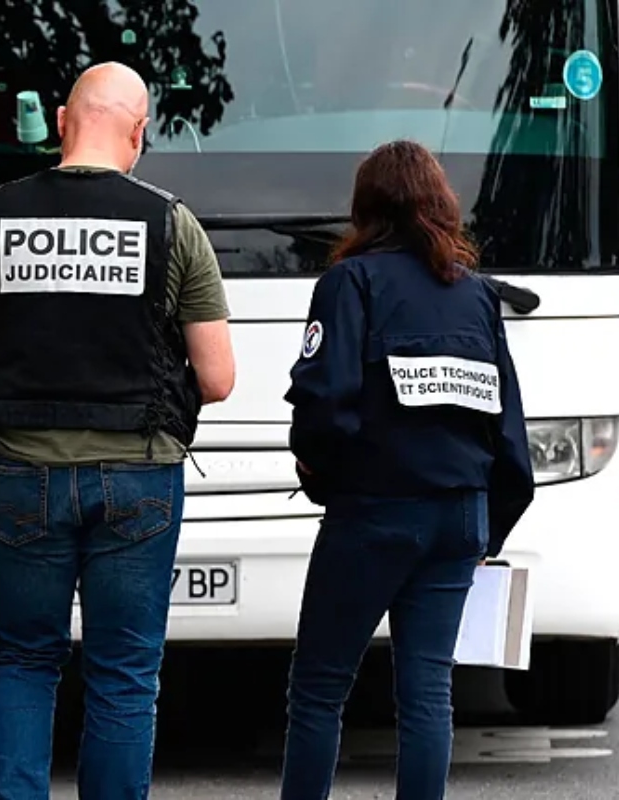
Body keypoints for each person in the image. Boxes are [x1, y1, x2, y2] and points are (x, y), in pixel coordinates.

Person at [0, 61, 236, 799]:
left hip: (22, 474)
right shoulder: (172, 223)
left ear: (62, 123)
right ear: (139, 133)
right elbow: (219, 378)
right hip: (140, 474)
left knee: (24, 660)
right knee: (124, 672)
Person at [278, 139, 535, 800]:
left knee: (319, 690)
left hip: (375, 511)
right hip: (461, 515)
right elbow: (508, 433)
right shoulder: (476, 297)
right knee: (427, 694)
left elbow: (324, 407)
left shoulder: (349, 283)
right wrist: (488, 533)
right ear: (441, 208)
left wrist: (325, 481)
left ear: (365, 211)